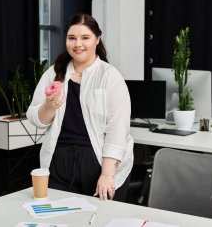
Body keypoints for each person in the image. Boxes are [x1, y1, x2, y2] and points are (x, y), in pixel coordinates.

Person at [27, 13, 133, 202]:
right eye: (72, 38)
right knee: (58, 216)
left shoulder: (110, 76)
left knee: (99, 219)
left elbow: (117, 130)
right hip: (58, 160)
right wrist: (49, 106)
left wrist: (107, 175)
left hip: (98, 162)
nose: (78, 44)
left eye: (85, 38)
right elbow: (36, 119)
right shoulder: (54, 72)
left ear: (97, 39)